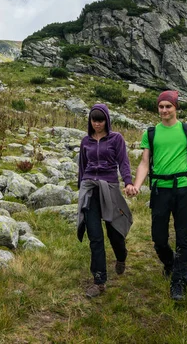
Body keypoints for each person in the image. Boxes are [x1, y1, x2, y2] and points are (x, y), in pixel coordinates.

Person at [126, 90, 187, 301]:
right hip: (160, 189)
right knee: (158, 238)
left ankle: (178, 282)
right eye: (161, 107)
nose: (164, 110)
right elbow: (144, 163)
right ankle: (170, 264)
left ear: (175, 108)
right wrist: (136, 185)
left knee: (183, 237)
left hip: (183, 189)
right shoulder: (150, 133)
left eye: (168, 106)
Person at [77, 103, 135, 298]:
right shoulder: (85, 141)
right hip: (90, 190)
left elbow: (123, 162)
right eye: (94, 120)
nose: (97, 123)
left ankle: (121, 256)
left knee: (114, 231)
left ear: (107, 120)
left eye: (100, 120)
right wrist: (81, 191)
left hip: (109, 188)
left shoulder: (116, 139)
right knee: (95, 236)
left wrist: (128, 182)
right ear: (90, 121)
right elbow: (82, 167)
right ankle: (99, 281)